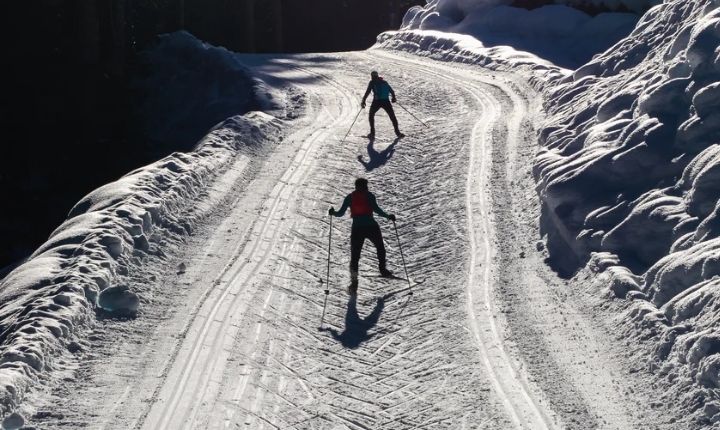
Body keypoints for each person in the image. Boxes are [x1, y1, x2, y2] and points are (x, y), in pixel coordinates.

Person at [329, 178, 396, 295]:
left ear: (355, 186)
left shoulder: (350, 197)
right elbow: (376, 209)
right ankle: (383, 270)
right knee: (380, 248)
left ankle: (354, 282)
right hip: (371, 226)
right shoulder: (369, 196)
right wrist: (388, 216)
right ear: (366, 186)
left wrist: (332, 212)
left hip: (357, 229)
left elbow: (340, 213)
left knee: (355, 256)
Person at [361, 71, 404, 139]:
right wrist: (393, 98)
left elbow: (368, 92)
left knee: (371, 115)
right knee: (392, 116)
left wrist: (363, 101)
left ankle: (372, 133)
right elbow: (391, 91)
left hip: (377, 101)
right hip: (386, 101)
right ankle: (398, 132)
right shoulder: (384, 82)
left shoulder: (372, 82)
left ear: (372, 76)